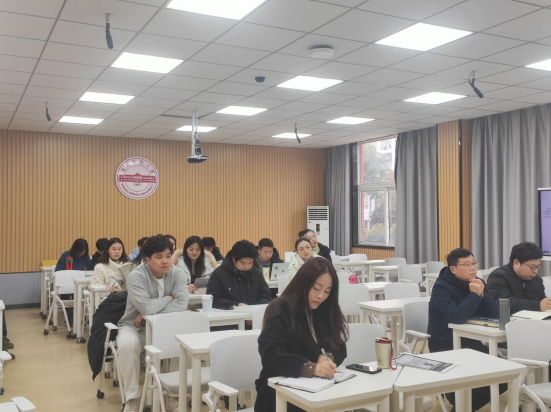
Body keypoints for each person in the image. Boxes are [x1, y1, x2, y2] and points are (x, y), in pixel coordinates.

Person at [255, 258, 348, 412]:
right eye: (316, 288)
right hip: (278, 390)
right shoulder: (281, 309)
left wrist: (326, 359)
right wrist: (311, 368)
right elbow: (270, 354)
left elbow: (339, 346)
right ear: (303, 283)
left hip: (316, 389)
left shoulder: (324, 309)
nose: (321, 296)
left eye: (327, 291)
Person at [116, 234, 189, 412]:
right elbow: (146, 307)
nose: (165, 261)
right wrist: (169, 298)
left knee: (182, 343)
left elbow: (181, 304)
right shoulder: (136, 276)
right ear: (147, 259)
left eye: (168, 256)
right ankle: (133, 399)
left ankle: (173, 395)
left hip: (167, 327)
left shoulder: (177, 273)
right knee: (126, 345)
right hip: (136, 327)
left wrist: (149, 311)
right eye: (159, 257)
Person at [428, 248, 505, 410]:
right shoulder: (441, 287)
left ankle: (463, 406)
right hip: (445, 343)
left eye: (474, 263)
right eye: (467, 265)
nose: (473, 268)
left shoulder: (478, 282)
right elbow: (456, 316)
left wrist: (482, 295)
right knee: (478, 374)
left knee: (505, 372)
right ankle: (460, 403)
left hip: (472, 340)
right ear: (453, 269)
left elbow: (495, 314)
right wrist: (474, 295)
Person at [206, 240, 272, 309]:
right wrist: (236, 305)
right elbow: (213, 300)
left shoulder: (256, 273)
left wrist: (256, 309)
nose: (247, 267)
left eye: (250, 263)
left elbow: (266, 296)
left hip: (254, 313)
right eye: (243, 263)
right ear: (234, 259)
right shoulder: (219, 274)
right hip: (229, 314)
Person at [487, 242, 549, 314]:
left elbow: (542, 302)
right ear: (516, 263)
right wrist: (537, 306)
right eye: (532, 267)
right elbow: (504, 304)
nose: (535, 271)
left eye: (537, 267)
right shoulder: (498, 277)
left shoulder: (537, 280)